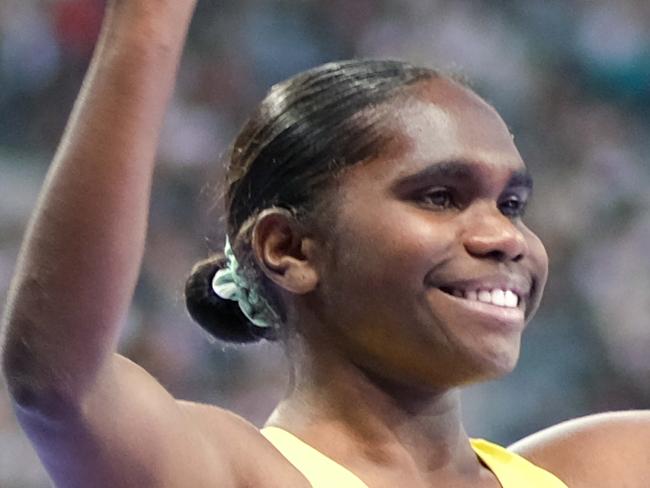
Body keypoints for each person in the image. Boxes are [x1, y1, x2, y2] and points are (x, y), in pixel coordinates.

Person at [1, 1, 649, 487]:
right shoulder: (237, 474)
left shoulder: (608, 466)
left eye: (511, 203)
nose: (504, 236)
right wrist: (146, 26)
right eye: (440, 196)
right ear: (289, 248)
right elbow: (58, 384)